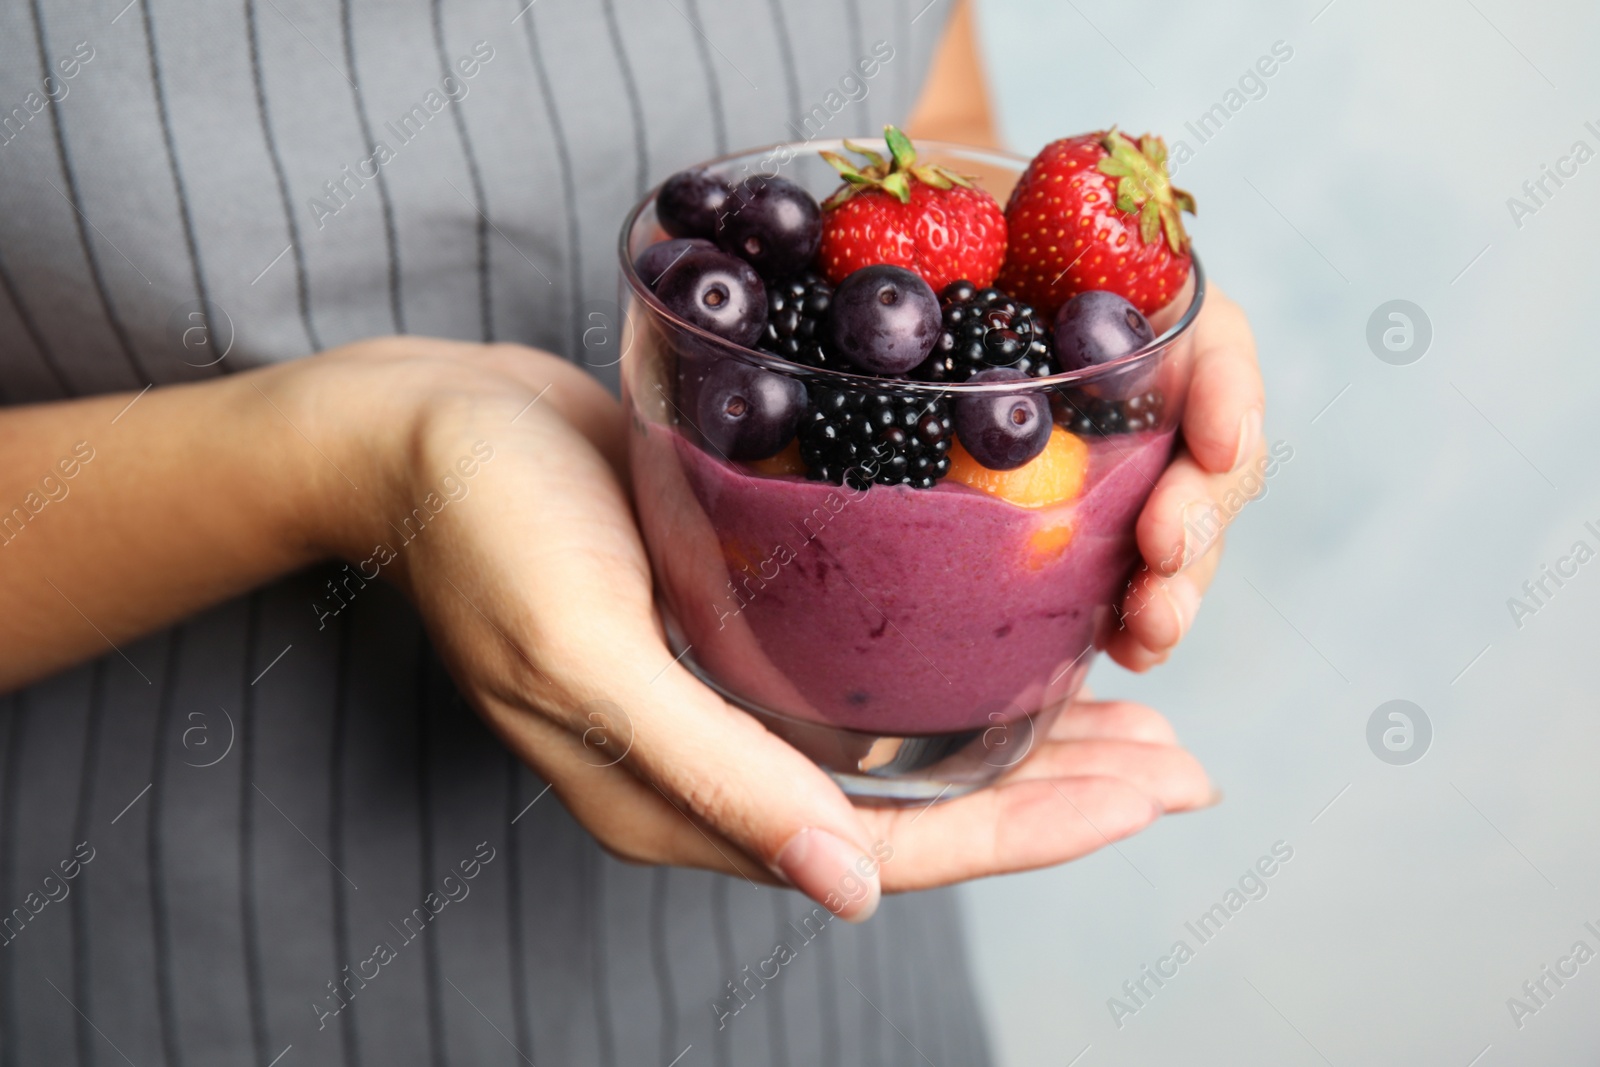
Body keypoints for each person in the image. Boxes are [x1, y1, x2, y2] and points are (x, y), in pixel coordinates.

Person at [0, 0, 1260, 1063]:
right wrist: (355, 453)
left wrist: (1113, 339)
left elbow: (953, 176)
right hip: (207, 954)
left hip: (829, 993)